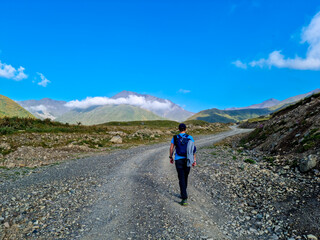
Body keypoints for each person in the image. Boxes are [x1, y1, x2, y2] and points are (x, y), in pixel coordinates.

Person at [169, 123, 196, 206]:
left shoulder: (175, 137)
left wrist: (171, 157)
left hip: (178, 160)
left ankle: (184, 198)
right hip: (187, 160)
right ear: (185, 129)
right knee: (185, 176)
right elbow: (192, 150)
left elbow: (171, 148)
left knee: (181, 178)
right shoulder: (190, 137)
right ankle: (183, 193)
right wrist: (194, 160)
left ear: (178, 129)